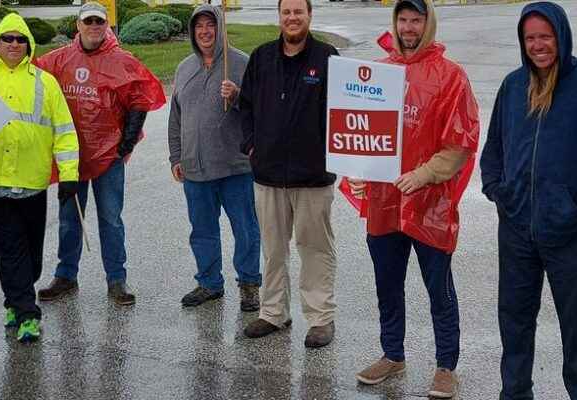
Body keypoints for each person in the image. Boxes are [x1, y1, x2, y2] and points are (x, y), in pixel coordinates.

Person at [479, 2, 577, 399]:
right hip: (515, 229)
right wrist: (498, 190)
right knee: (514, 322)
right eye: (530, 38)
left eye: (544, 36)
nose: (537, 45)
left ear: (561, 36)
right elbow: (495, 145)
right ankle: (514, 394)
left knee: (576, 326)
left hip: (569, 232)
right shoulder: (514, 85)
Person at [343, 1, 480, 397]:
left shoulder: (451, 77)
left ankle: (446, 365)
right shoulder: (376, 73)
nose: (408, 26)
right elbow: (359, 133)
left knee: (439, 289)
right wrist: (358, 174)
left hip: (429, 203)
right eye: (402, 19)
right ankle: (392, 353)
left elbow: (460, 142)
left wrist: (423, 174)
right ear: (395, 22)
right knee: (387, 285)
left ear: (428, 23)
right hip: (385, 203)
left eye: (416, 19)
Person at [0, 14, 80, 343]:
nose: (13, 44)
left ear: (28, 45)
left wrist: (69, 175)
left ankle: (14, 298)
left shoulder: (44, 82)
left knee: (32, 253)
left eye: (19, 39)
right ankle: (27, 314)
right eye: (7, 39)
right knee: (8, 248)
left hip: (32, 181)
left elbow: (64, 132)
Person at [35, 2, 165, 306]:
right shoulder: (58, 59)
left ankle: (116, 279)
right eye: (88, 21)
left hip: (108, 156)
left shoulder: (122, 60)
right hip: (71, 157)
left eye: (99, 21)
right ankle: (65, 275)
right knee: (69, 219)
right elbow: (29, 77)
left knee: (111, 219)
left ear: (107, 25)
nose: (94, 26)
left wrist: (126, 142)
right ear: (77, 26)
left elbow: (139, 98)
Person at [238, 0, 340, 348]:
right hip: (268, 175)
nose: (292, 18)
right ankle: (273, 313)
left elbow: (344, 112)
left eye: (299, 12)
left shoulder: (328, 58)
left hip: (313, 176)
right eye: (287, 12)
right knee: (273, 249)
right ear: (279, 17)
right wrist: (250, 145)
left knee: (315, 249)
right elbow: (246, 106)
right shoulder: (261, 57)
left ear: (310, 16)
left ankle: (320, 317)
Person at [168, 4, 261, 311]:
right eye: (199, 27)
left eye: (211, 25)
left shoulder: (241, 63)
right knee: (202, 230)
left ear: (220, 28)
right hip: (195, 168)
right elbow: (176, 117)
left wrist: (237, 97)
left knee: (246, 229)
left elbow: (260, 113)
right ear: (193, 32)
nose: (205, 31)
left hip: (235, 167)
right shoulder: (184, 68)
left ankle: (249, 284)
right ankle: (209, 282)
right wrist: (176, 156)